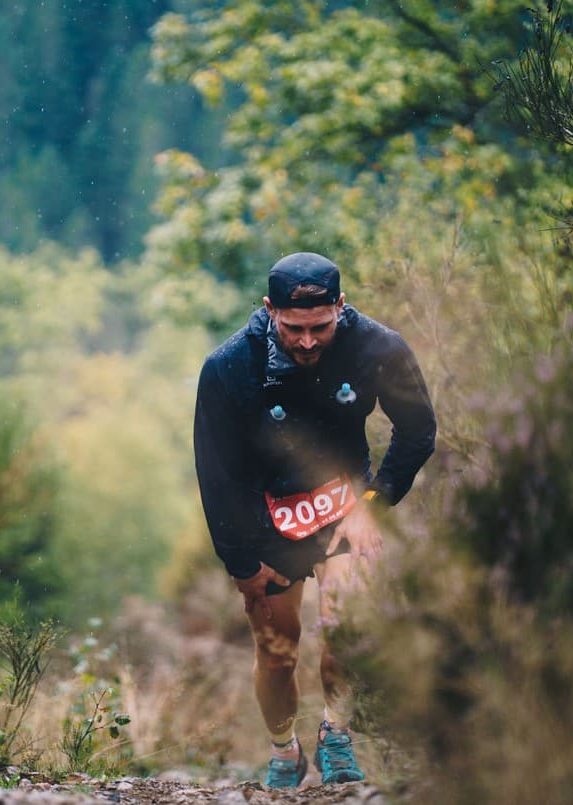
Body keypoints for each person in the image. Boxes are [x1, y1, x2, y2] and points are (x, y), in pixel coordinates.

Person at [193, 252, 436, 788]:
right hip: (267, 521)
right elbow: (216, 474)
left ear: (340, 308)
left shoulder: (378, 348)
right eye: (293, 328)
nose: (307, 341)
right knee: (278, 652)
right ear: (269, 310)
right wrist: (239, 560)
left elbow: (418, 430)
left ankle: (337, 734)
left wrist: (374, 504)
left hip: (344, 510)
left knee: (346, 627)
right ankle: (285, 752)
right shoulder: (229, 368)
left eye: (320, 327)